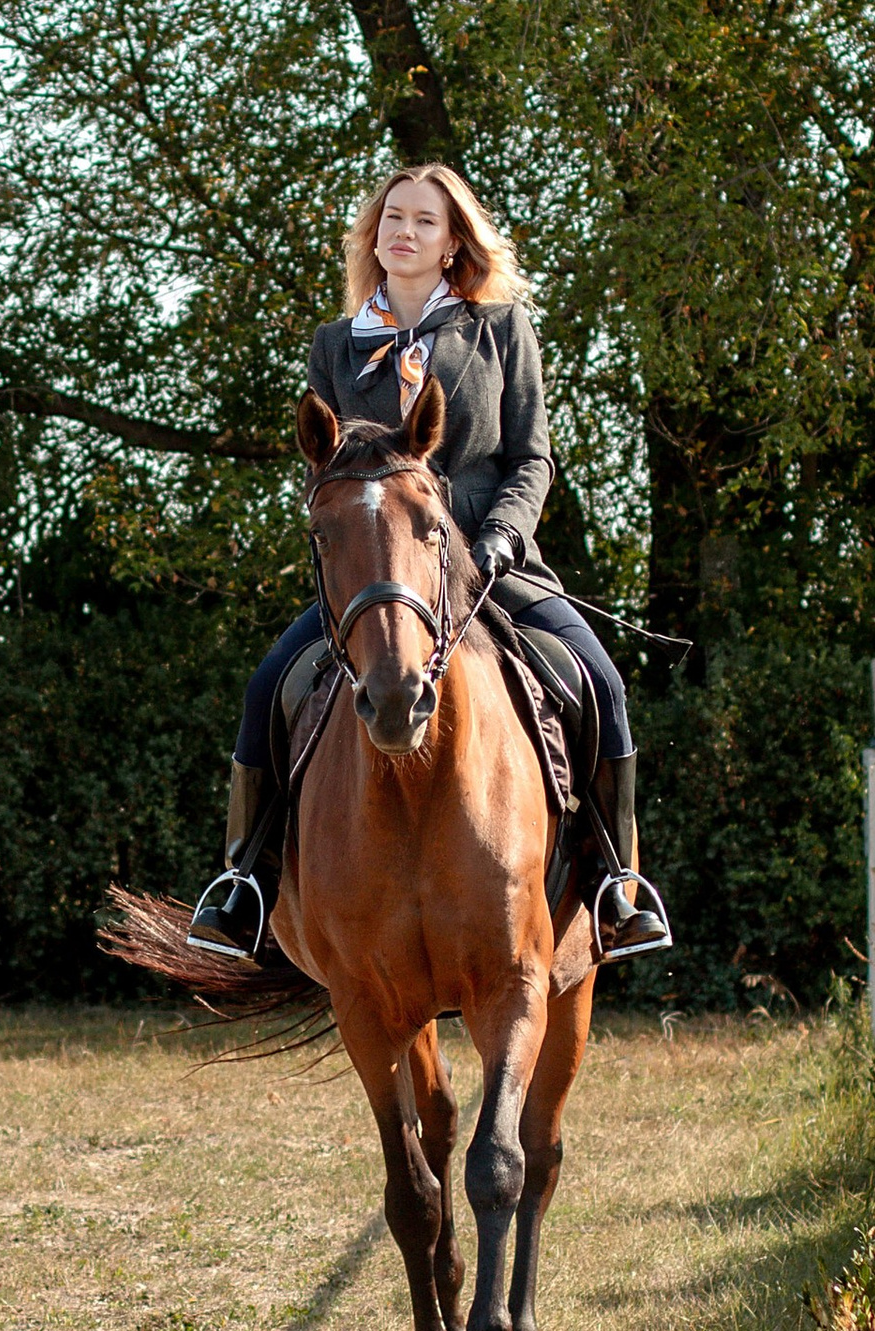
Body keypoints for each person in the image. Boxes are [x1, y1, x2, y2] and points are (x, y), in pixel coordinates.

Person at [188, 165, 672, 963]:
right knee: (270, 683)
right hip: (383, 578)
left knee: (601, 681)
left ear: (453, 244)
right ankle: (246, 884)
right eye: (391, 219)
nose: (403, 233)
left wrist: (498, 542)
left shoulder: (501, 330)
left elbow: (531, 461)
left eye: (424, 222)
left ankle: (615, 886)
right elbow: (326, 473)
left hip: (491, 561)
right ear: (374, 237)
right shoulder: (336, 349)